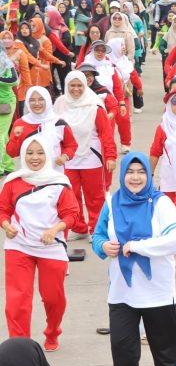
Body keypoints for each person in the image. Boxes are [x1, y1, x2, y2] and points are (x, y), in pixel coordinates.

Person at [92, 153, 176, 366]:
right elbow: (98, 235)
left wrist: (138, 246)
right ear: (122, 175)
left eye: (141, 172)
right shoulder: (112, 202)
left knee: (165, 349)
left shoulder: (161, 204)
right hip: (122, 291)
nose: (135, 177)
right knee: (122, 348)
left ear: (149, 175)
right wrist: (103, 246)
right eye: (130, 172)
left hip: (157, 291)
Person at [0, 136, 78, 351]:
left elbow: (71, 214)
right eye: (30, 153)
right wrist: (6, 225)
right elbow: (3, 209)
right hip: (19, 246)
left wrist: (55, 230)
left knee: (53, 298)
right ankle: (21, 346)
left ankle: (52, 332)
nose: (35, 157)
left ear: (48, 154)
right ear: (23, 155)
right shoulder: (13, 181)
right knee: (17, 301)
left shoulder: (59, 183)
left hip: (50, 248)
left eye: (40, 153)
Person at [53, 70, 117, 239]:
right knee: (71, 195)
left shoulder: (94, 105)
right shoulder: (60, 103)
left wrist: (110, 156)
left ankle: (96, 229)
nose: (76, 89)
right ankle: (78, 227)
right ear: (66, 86)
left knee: (94, 197)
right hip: (67, 158)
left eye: (79, 85)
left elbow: (106, 133)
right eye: (72, 85)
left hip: (91, 156)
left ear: (85, 85)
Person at [6, 86, 77, 171]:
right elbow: (12, 153)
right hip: (29, 176)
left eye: (41, 99)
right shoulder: (21, 123)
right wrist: (16, 137)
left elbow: (71, 145)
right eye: (32, 100)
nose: (36, 103)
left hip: (54, 174)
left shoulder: (58, 123)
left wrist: (65, 156)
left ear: (47, 100)